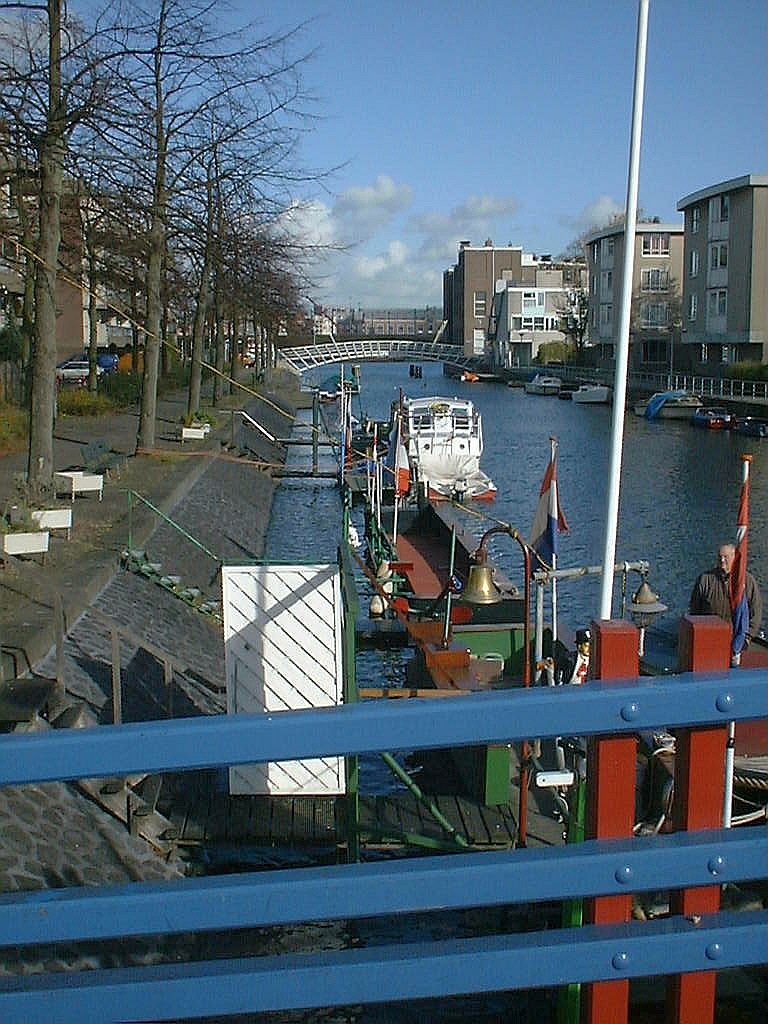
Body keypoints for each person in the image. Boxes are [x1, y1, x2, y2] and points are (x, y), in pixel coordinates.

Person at [689, 543, 763, 653]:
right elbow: (694, 610)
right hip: (709, 636)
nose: (722, 560)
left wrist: (747, 637)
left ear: (734, 558)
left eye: (726, 557)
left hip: (738, 638)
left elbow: (756, 611)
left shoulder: (747, 581)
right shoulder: (705, 579)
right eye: (720, 557)